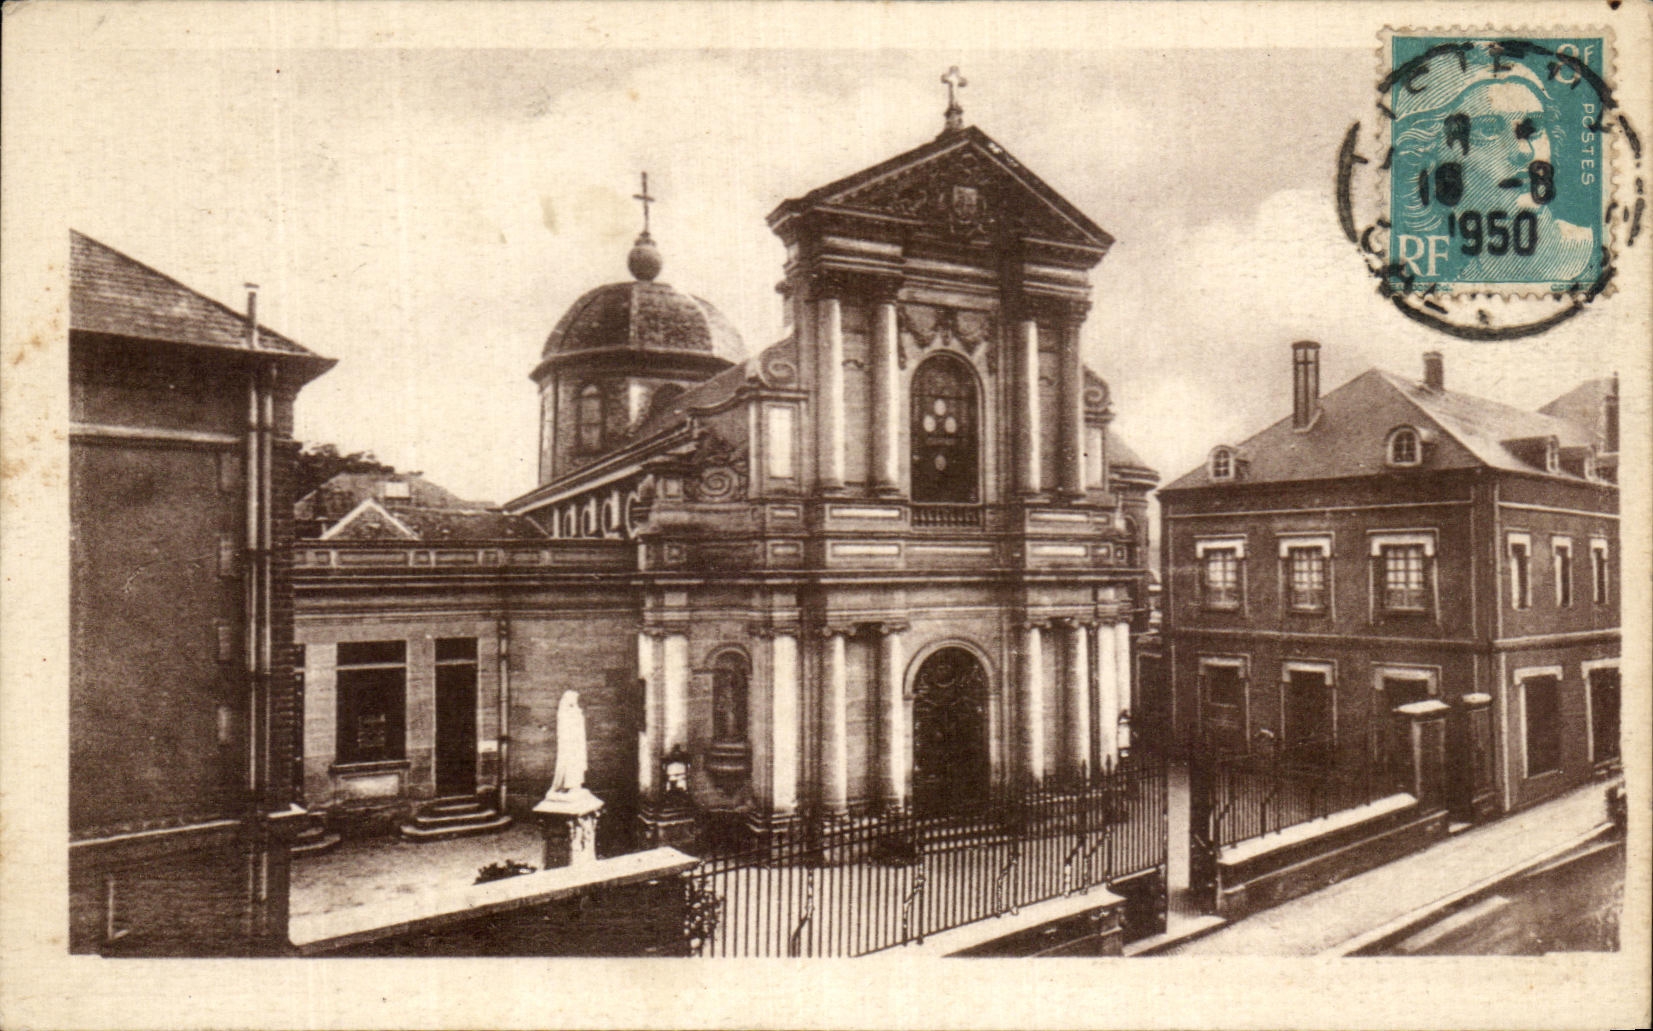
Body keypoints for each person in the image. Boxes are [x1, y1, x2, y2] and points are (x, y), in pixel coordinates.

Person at [1391, 48, 1596, 285]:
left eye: (1534, 128)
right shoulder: (1458, 278)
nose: (1523, 151)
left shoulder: (1587, 252)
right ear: (1429, 160)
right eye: (1487, 130)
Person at [549, 690, 587, 794]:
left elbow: (580, 728)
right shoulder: (565, 713)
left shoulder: (576, 711)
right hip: (569, 744)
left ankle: (575, 785)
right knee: (569, 764)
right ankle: (567, 785)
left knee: (576, 764)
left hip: (577, 744)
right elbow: (565, 730)